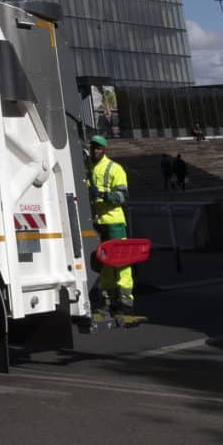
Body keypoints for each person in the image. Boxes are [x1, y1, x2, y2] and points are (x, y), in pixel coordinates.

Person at [87, 133, 135, 321]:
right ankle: (109, 302)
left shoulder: (115, 168)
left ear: (104, 149)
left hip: (114, 222)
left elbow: (122, 196)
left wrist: (102, 194)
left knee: (122, 262)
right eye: (93, 147)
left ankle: (126, 303)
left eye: (98, 147)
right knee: (104, 264)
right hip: (98, 223)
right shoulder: (88, 168)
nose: (95, 150)